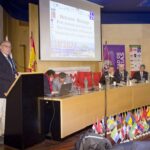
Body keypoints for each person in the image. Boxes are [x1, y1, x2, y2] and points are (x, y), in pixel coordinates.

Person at [0, 40, 17, 138]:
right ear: (0, 47)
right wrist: (12, 77)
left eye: (10, 46)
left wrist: (16, 75)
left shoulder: (10, 58)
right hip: (1, 90)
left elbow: (13, 71)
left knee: (5, 113)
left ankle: (3, 133)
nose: (8, 48)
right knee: (0, 113)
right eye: (6, 46)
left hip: (9, 89)